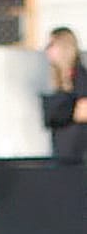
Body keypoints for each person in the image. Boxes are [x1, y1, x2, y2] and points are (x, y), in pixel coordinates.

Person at [41, 26, 87, 162]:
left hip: (77, 155)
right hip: (63, 153)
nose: (47, 50)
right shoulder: (58, 80)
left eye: (51, 45)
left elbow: (82, 110)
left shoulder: (79, 76)